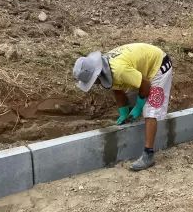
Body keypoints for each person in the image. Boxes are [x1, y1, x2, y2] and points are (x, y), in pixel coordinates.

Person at [73, 43, 173, 171]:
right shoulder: (106, 68)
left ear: (97, 74)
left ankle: (148, 155)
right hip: (143, 69)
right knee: (132, 98)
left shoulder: (119, 70)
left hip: (160, 66)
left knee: (150, 110)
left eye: (93, 81)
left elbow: (146, 85)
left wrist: (139, 106)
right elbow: (117, 88)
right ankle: (138, 115)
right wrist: (124, 112)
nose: (94, 84)